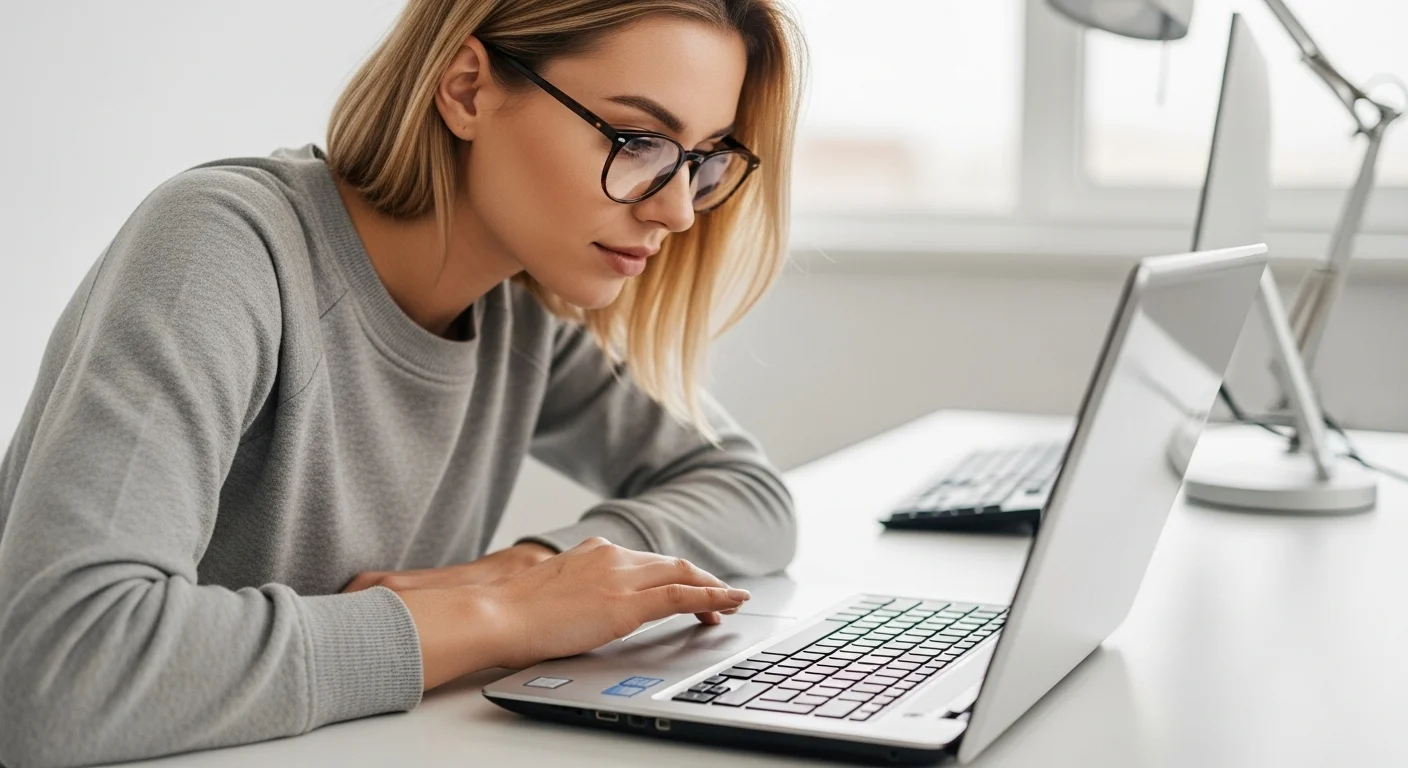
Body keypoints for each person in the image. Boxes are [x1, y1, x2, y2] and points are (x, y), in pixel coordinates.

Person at [0, 1, 805, 764]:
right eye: (636, 141)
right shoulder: (223, 248)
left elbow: (749, 494)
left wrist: (522, 568)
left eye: (704, 160)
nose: (678, 212)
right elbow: (60, 670)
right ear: (467, 89)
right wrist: (501, 615)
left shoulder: (521, 311)